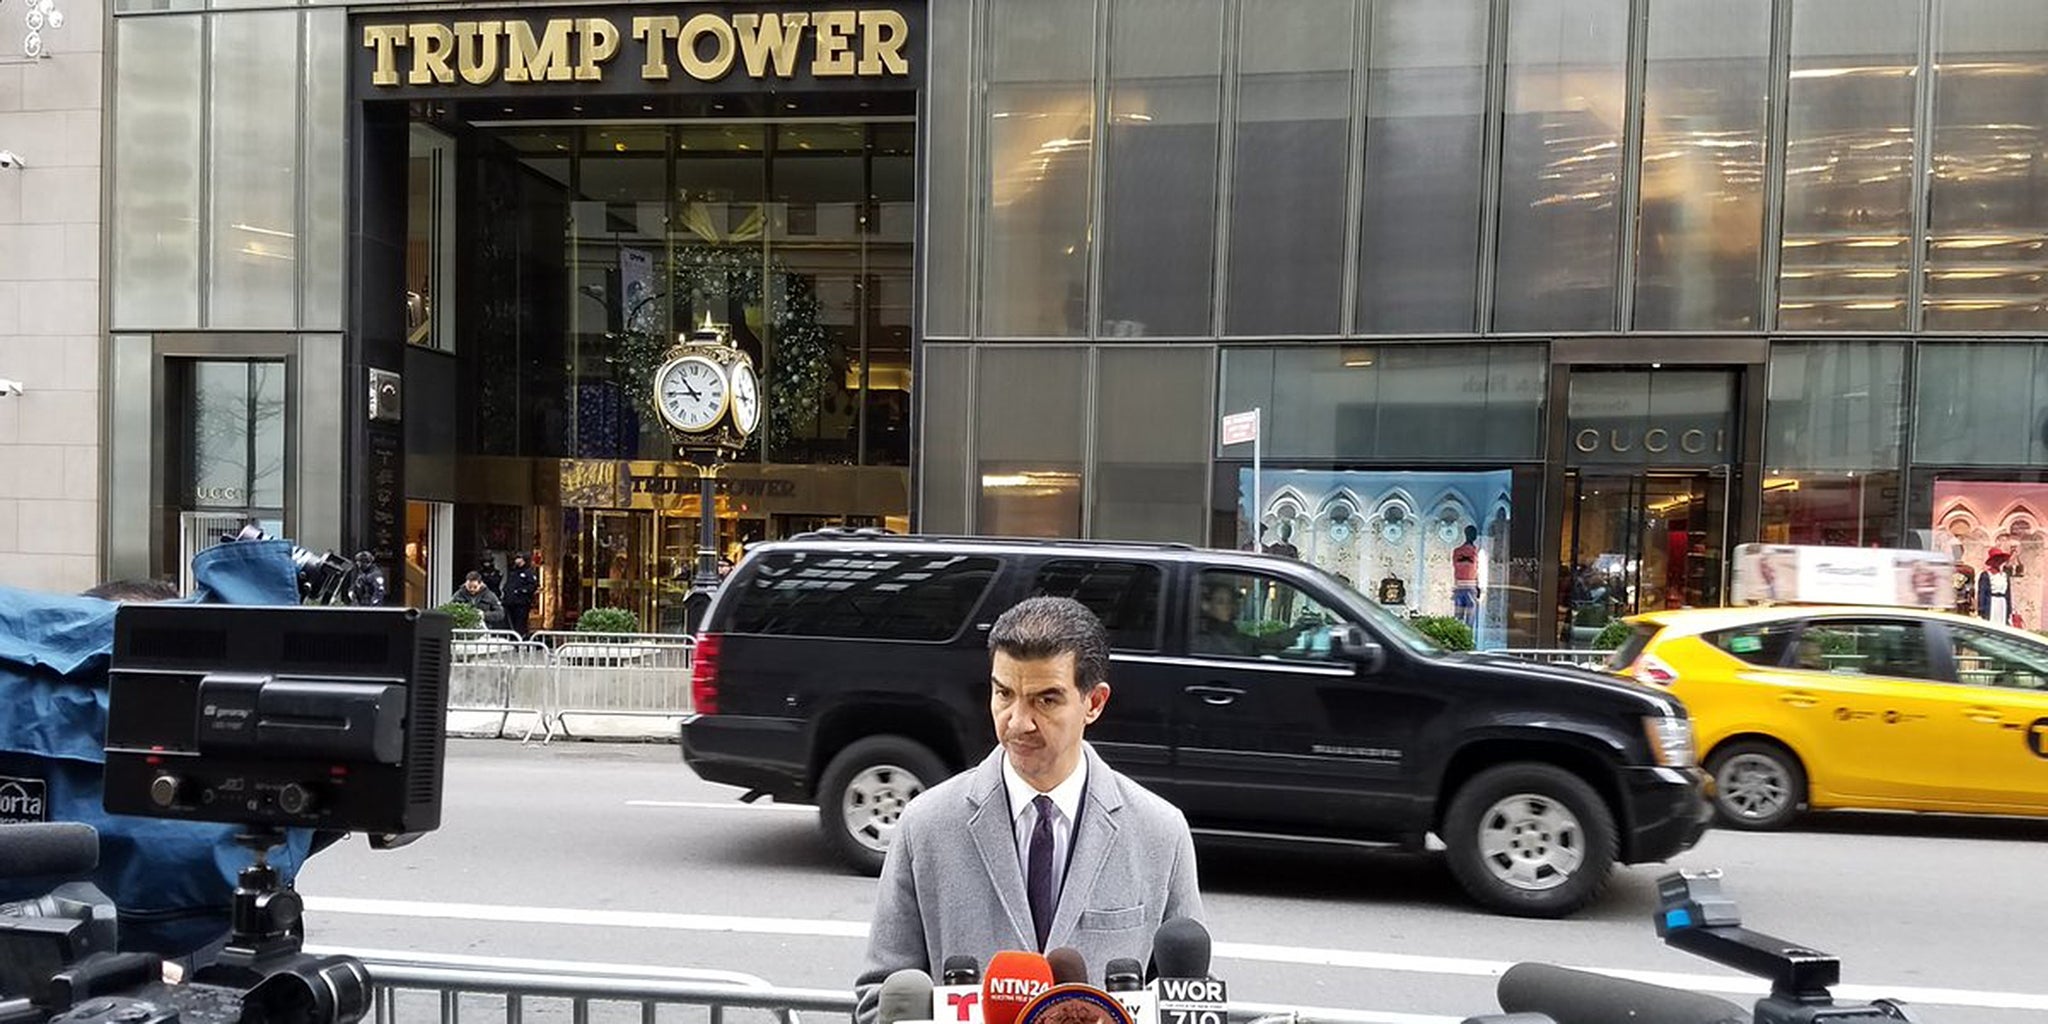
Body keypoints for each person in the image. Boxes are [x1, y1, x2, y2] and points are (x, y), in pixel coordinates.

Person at [853, 597, 1203, 1024]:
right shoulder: (926, 824)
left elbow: (1185, 1002)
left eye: (1046, 700)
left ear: (1093, 702)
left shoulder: (1160, 831)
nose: (1018, 721)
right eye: (1004, 694)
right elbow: (880, 997)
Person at [1190, 578, 1257, 656]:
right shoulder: (1203, 639)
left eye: (1230, 601)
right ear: (1206, 605)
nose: (1227, 606)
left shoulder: (1232, 632)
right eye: (1220, 602)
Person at [502, 554, 539, 636]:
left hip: (521, 603)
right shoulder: (513, 572)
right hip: (510, 603)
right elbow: (509, 585)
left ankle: (520, 638)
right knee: (510, 624)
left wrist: (520, 591)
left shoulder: (528, 572)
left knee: (520, 624)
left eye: (519, 558)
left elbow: (532, 587)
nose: (517, 560)